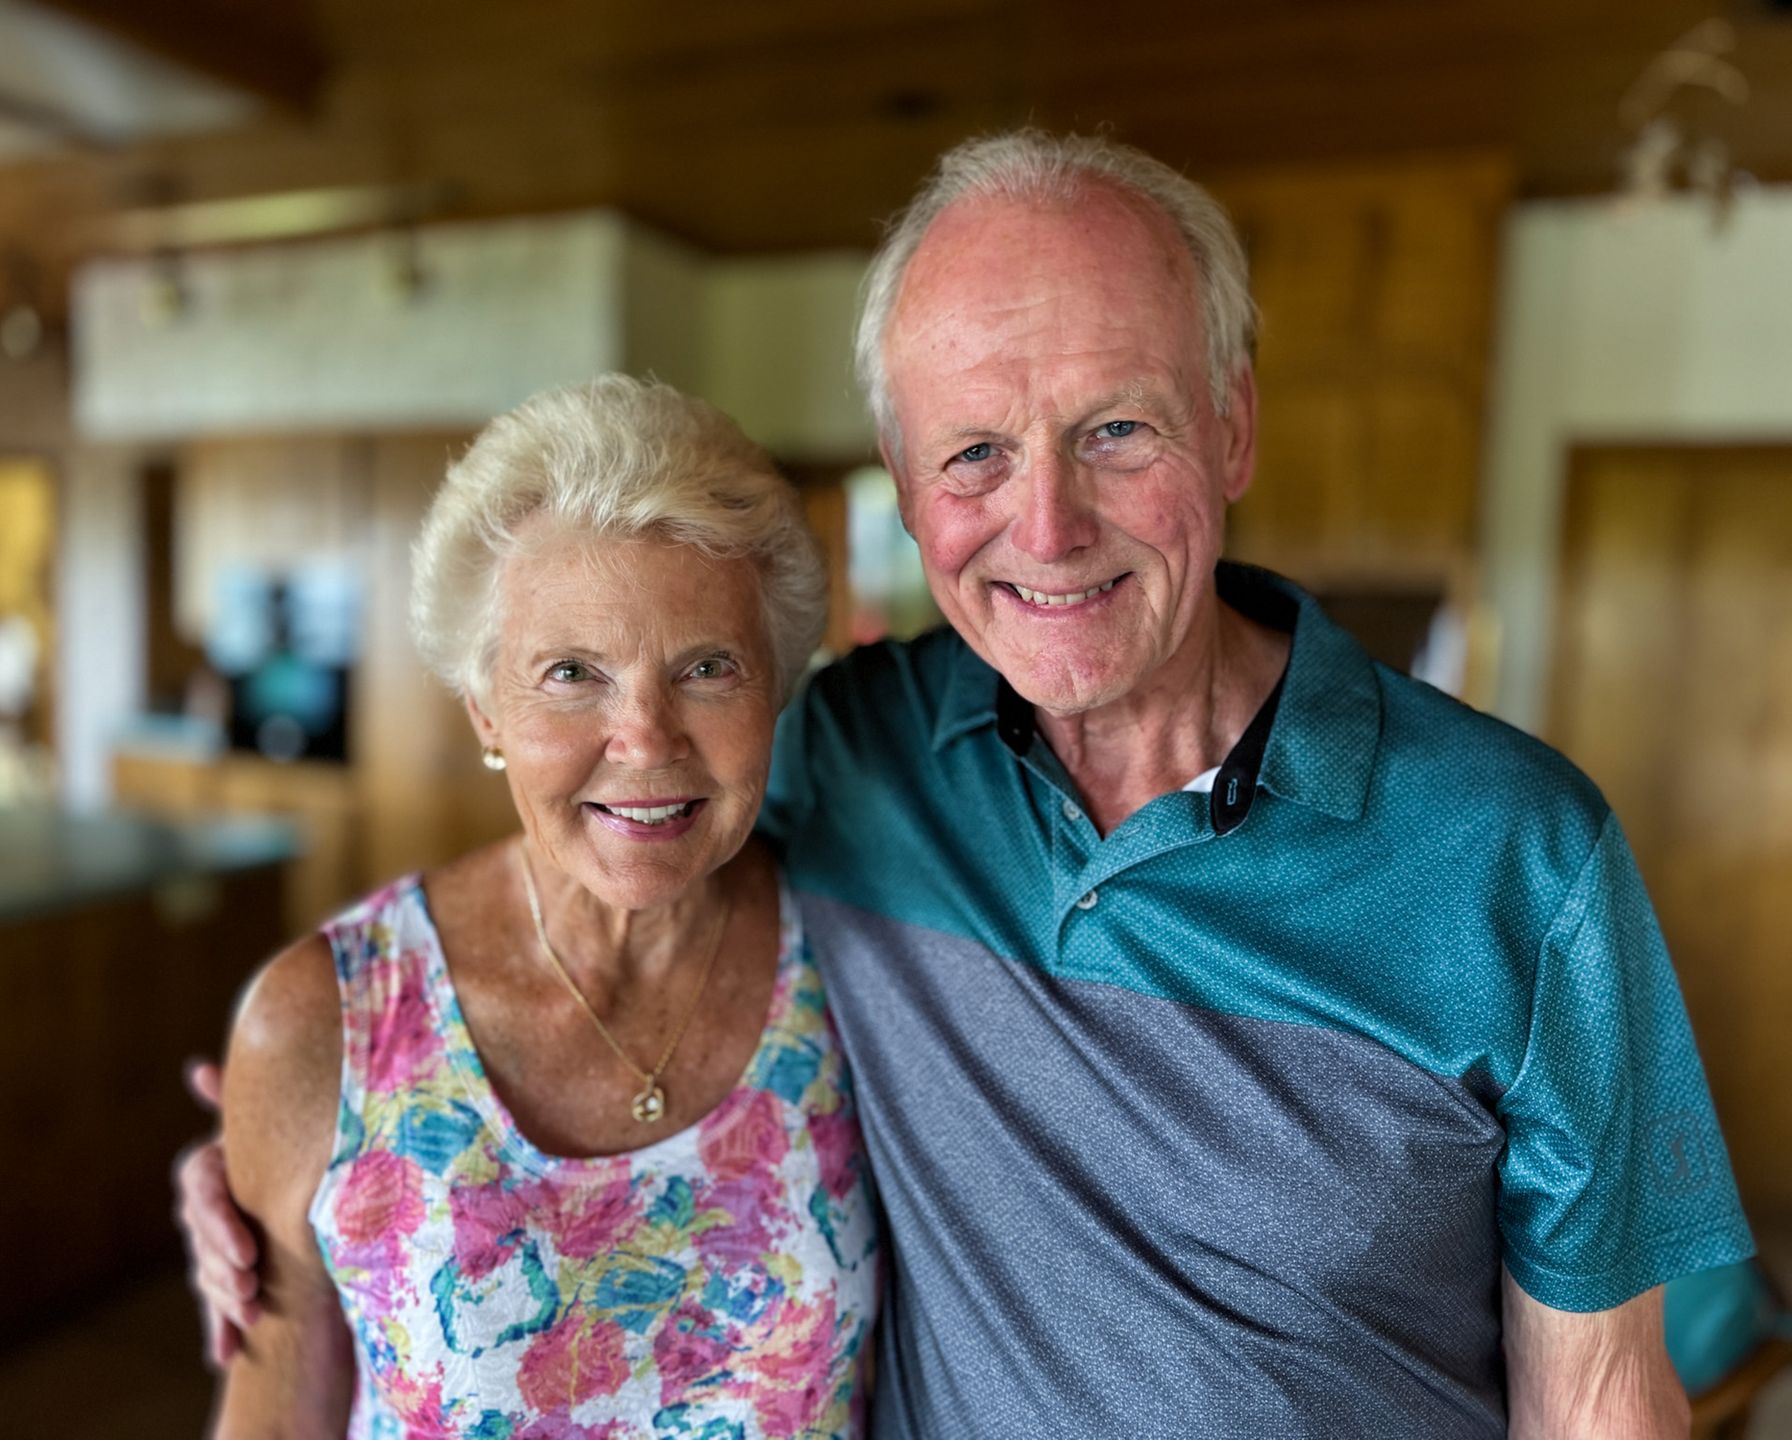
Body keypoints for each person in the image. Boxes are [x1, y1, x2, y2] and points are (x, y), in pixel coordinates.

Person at [183, 132, 1754, 1439]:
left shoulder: (1521, 857)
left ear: (1232, 424)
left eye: (1118, 430)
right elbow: (613, 793)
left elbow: (1605, 1390)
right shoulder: (859, 751)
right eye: (976, 456)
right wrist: (296, 1157)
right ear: (904, 481)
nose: (1048, 528)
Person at [204, 374, 877, 1438]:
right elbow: (276, 1406)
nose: (647, 741)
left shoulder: (864, 956)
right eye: (573, 673)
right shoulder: (323, 1024)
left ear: (776, 690)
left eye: (708, 668)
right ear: (486, 709)